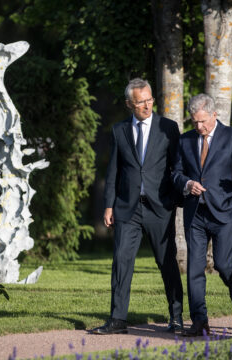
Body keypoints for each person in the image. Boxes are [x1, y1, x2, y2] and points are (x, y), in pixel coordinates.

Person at [91, 78, 184, 335]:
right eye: (141, 101)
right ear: (129, 104)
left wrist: (178, 198)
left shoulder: (168, 127)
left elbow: (177, 167)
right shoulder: (119, 130)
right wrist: (108, 206)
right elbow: (114, 171)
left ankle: (176, 317)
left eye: (149, 99)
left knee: (167, 263)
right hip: (126, 208)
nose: (146, 105)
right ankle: (117, 320)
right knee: (121, 261)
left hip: (159, 207)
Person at [172, 94, 232, 336]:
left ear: (215, 114)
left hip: (224, 213)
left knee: (224, 264)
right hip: (195, 213)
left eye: (203, 121)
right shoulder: (185, 140)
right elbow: (175, 173)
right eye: (195, 122)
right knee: (194, 268)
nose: (199, 127)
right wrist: (187, 184)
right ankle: (199, 321)